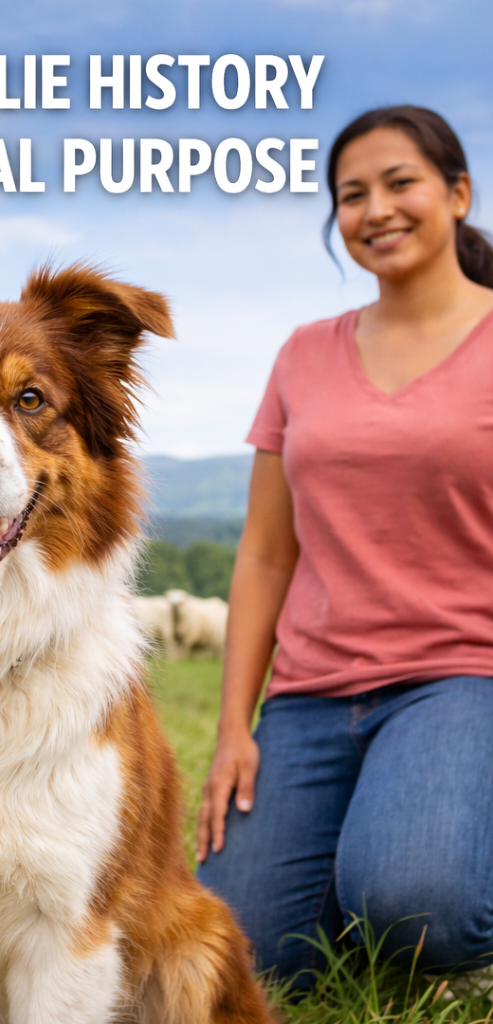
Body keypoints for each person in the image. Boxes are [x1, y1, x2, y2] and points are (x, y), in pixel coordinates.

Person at [195, 106, 493, 990]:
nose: (376, 210)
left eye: (400, 183)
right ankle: (385, 869)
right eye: (352, 195)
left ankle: (432, 893)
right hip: (310, 698)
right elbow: (265, 555)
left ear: (458, 194)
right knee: (238, 957)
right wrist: (233, 729)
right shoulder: (303, 354)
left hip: (462, 678)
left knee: (422, 912)